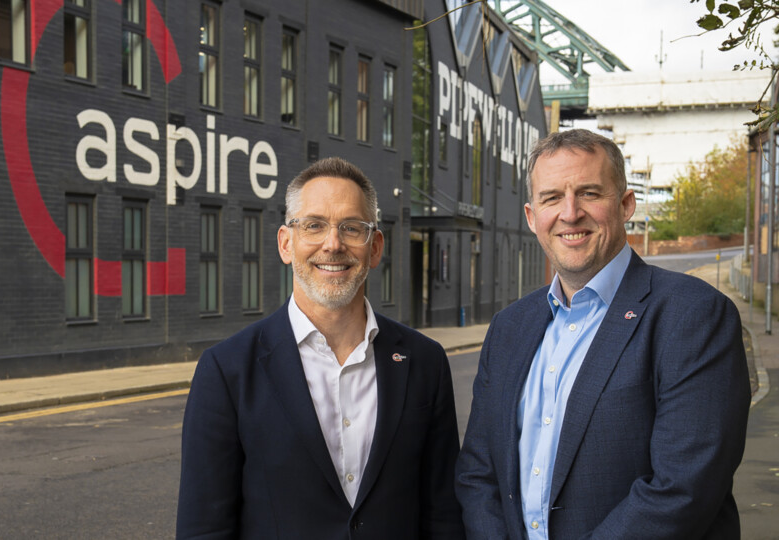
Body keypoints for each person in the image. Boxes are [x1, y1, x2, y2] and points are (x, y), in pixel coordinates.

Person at [455, 129, 751, 539]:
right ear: (531, 216)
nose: (570, 212)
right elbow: (478, 474)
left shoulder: (692, 315)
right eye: (552, 197)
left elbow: (683, 489)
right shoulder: (510, 327)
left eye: (590, 193)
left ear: (626, 204)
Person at [177, 157, 463, 539]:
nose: (333, 244)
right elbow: (204, 528)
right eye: (313, 225)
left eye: (351, 228)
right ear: (285, 243)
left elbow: (442, 515)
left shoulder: (425, 362)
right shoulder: (226, 370)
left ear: (375, 247)